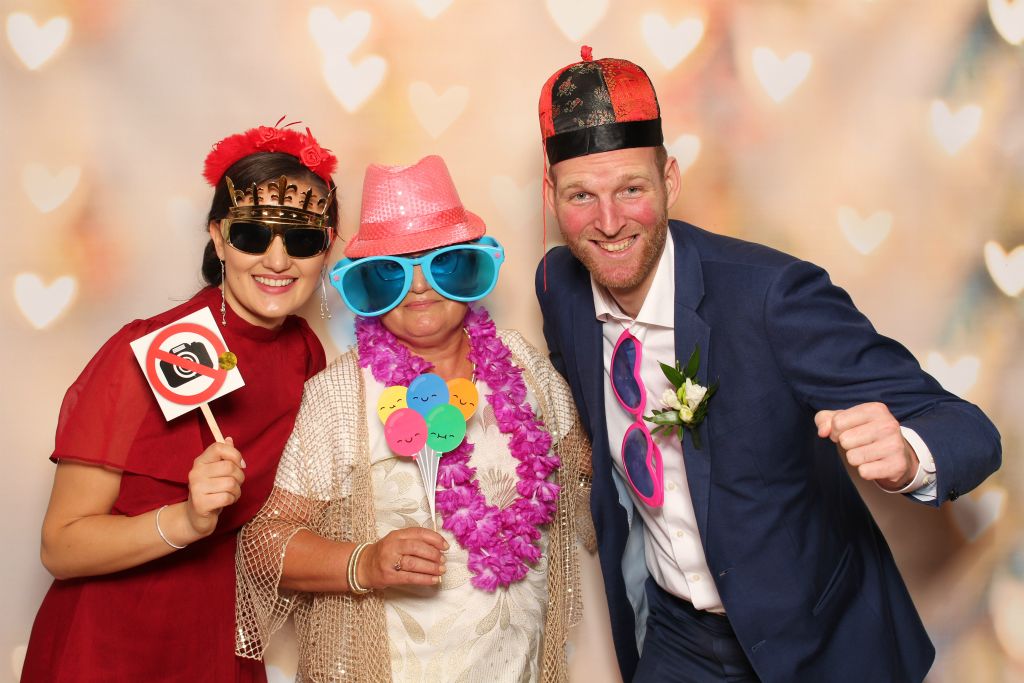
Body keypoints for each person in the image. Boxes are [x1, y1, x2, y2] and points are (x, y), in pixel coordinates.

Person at [534, 47, 1002, 683]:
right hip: (679, 639)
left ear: (670, 181)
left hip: (817, 641)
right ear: (551, 195)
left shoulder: (771, 296)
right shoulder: (559, 285)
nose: (609, 222)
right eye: (581, 195)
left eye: (631, 189)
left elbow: (970, 430)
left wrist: (910, 456)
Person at [235, 155, 592, 682]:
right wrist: (364, 562)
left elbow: (589, 473)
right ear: (365, 284)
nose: (420, 287)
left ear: (473, 265)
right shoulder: (341, 395)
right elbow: (263, 544)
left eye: (443, 263)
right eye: (391, 272)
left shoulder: (521, 362)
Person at [22, 120, 339, 682]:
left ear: (326, 248)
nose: (277, 260)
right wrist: (187, 521)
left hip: (221, 638)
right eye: (252, 235)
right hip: (109, 645)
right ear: (218, 237)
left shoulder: (306, 354)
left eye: (302, 240)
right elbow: (60, 546)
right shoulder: (146, 350)